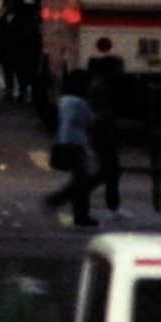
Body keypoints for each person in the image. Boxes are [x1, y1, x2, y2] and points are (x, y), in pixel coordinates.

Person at [43, 70, 101, 226]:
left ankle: (76, 211)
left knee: (79, 179)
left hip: (63, 141)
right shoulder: (80, 103)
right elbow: (92, 121)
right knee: (82, 181)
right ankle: (67, 205)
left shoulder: (64, 100)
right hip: (77, 144)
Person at [86, 55, 125, 215]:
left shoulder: (98, 84)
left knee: (110, 171)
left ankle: (113, 205)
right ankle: (75, 192)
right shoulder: (100, 86)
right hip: (103, 134)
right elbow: (102, 112)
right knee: (110, 171)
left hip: (102, 133)